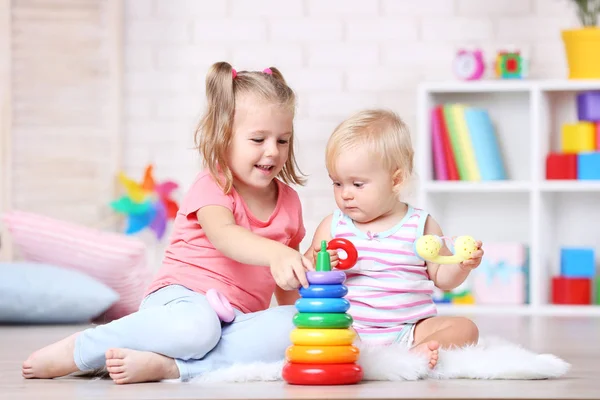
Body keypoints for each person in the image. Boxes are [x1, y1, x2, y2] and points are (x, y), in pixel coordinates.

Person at [22, 61, 314, 384]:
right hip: (181, 302)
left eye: (283, 141)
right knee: (199, 328)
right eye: (258, 140)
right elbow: (225, 236)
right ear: (224, 137)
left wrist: (306, 305)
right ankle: (82, 348)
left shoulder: (289, 202)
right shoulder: (214, 184)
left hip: (237, 322)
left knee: (300, 326)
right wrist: (276, 253)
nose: (272, 151)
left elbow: (286, 282)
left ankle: (172, 368)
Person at [306, 109, 484, 370]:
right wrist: (320, 264)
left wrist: (460, 265)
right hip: (350, 327)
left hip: (411, 329)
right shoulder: (333, 226)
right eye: (337, 183)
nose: (345, 194)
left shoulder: (420, 224)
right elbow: (309, 272)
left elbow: (442, 279)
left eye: (357, 184)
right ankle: (359, 356)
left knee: (465, 328)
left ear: (396, 180)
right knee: (314, 328)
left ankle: (415, 353)